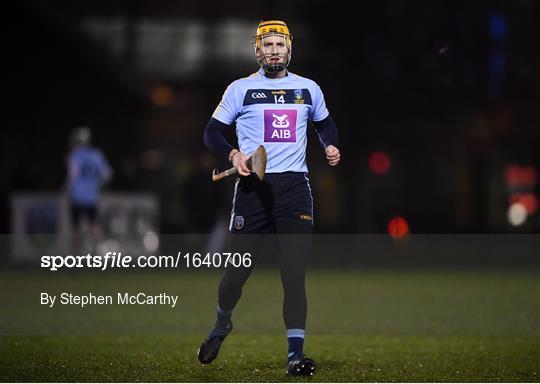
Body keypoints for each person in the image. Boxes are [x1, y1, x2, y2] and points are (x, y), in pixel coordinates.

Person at [200, 20, 340, 376]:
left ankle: (295, 355)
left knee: (293, 275)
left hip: (294, 190)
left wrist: (330, 144)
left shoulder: (308, 89)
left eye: (280, 44)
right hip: (252, 191)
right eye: (268, 45)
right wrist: (234, 156)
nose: (274, 50)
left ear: (289, 49)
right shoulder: (240, 89)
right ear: (257, 50)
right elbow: (213, 132)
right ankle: (222, 324)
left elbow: (324, 124)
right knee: (236, 275)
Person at [65, 126, 112, 250]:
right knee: (94, 227)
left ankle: (75, 260)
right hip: (92, 197)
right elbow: (107, 174)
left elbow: (72, 175)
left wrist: (66, 189)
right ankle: (97, 256)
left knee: (76, 229)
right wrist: (96, 185)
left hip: (77, 196)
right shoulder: (97, 154)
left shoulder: (74, 155)